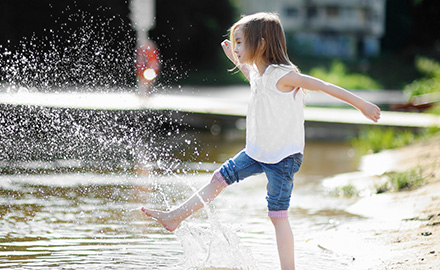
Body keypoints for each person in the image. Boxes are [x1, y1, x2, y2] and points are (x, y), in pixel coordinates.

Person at [141, 12, 381, 270]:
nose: (236, 47)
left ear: (262, 44)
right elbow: (252, 76)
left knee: (277, 215)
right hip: (256, 151)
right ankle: (175, 217)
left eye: (241, 42)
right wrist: (234, 57)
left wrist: (361, 104)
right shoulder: (260, 73)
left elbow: (321, 85)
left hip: (283, 157)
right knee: (218, 179)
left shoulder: (283, 74)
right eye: (235, 42)